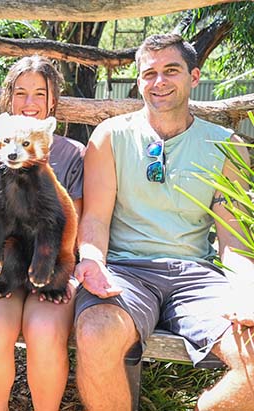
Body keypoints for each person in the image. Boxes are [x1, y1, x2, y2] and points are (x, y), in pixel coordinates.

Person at [74, 33, 254, 411]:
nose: (159, 82)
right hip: (126, 271)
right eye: (149, 73)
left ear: (195, 76)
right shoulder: (110, 136)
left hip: (198, 274)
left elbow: (232, 241)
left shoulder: (226, 145)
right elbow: (95, 218)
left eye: (171, 70)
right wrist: (91, 261)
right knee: (94, 332)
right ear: (138, 81)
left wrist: (248, 290)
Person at [0, 55, 85, 410]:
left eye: (40, 93)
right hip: (12, 257)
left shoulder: (73, 153)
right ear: (8, 99)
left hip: (51, 261)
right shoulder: (1, 149)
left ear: (53, 100)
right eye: (21, 92)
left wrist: (54, 267)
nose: (30, 102)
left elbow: (67, 224)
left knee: (47, 333)